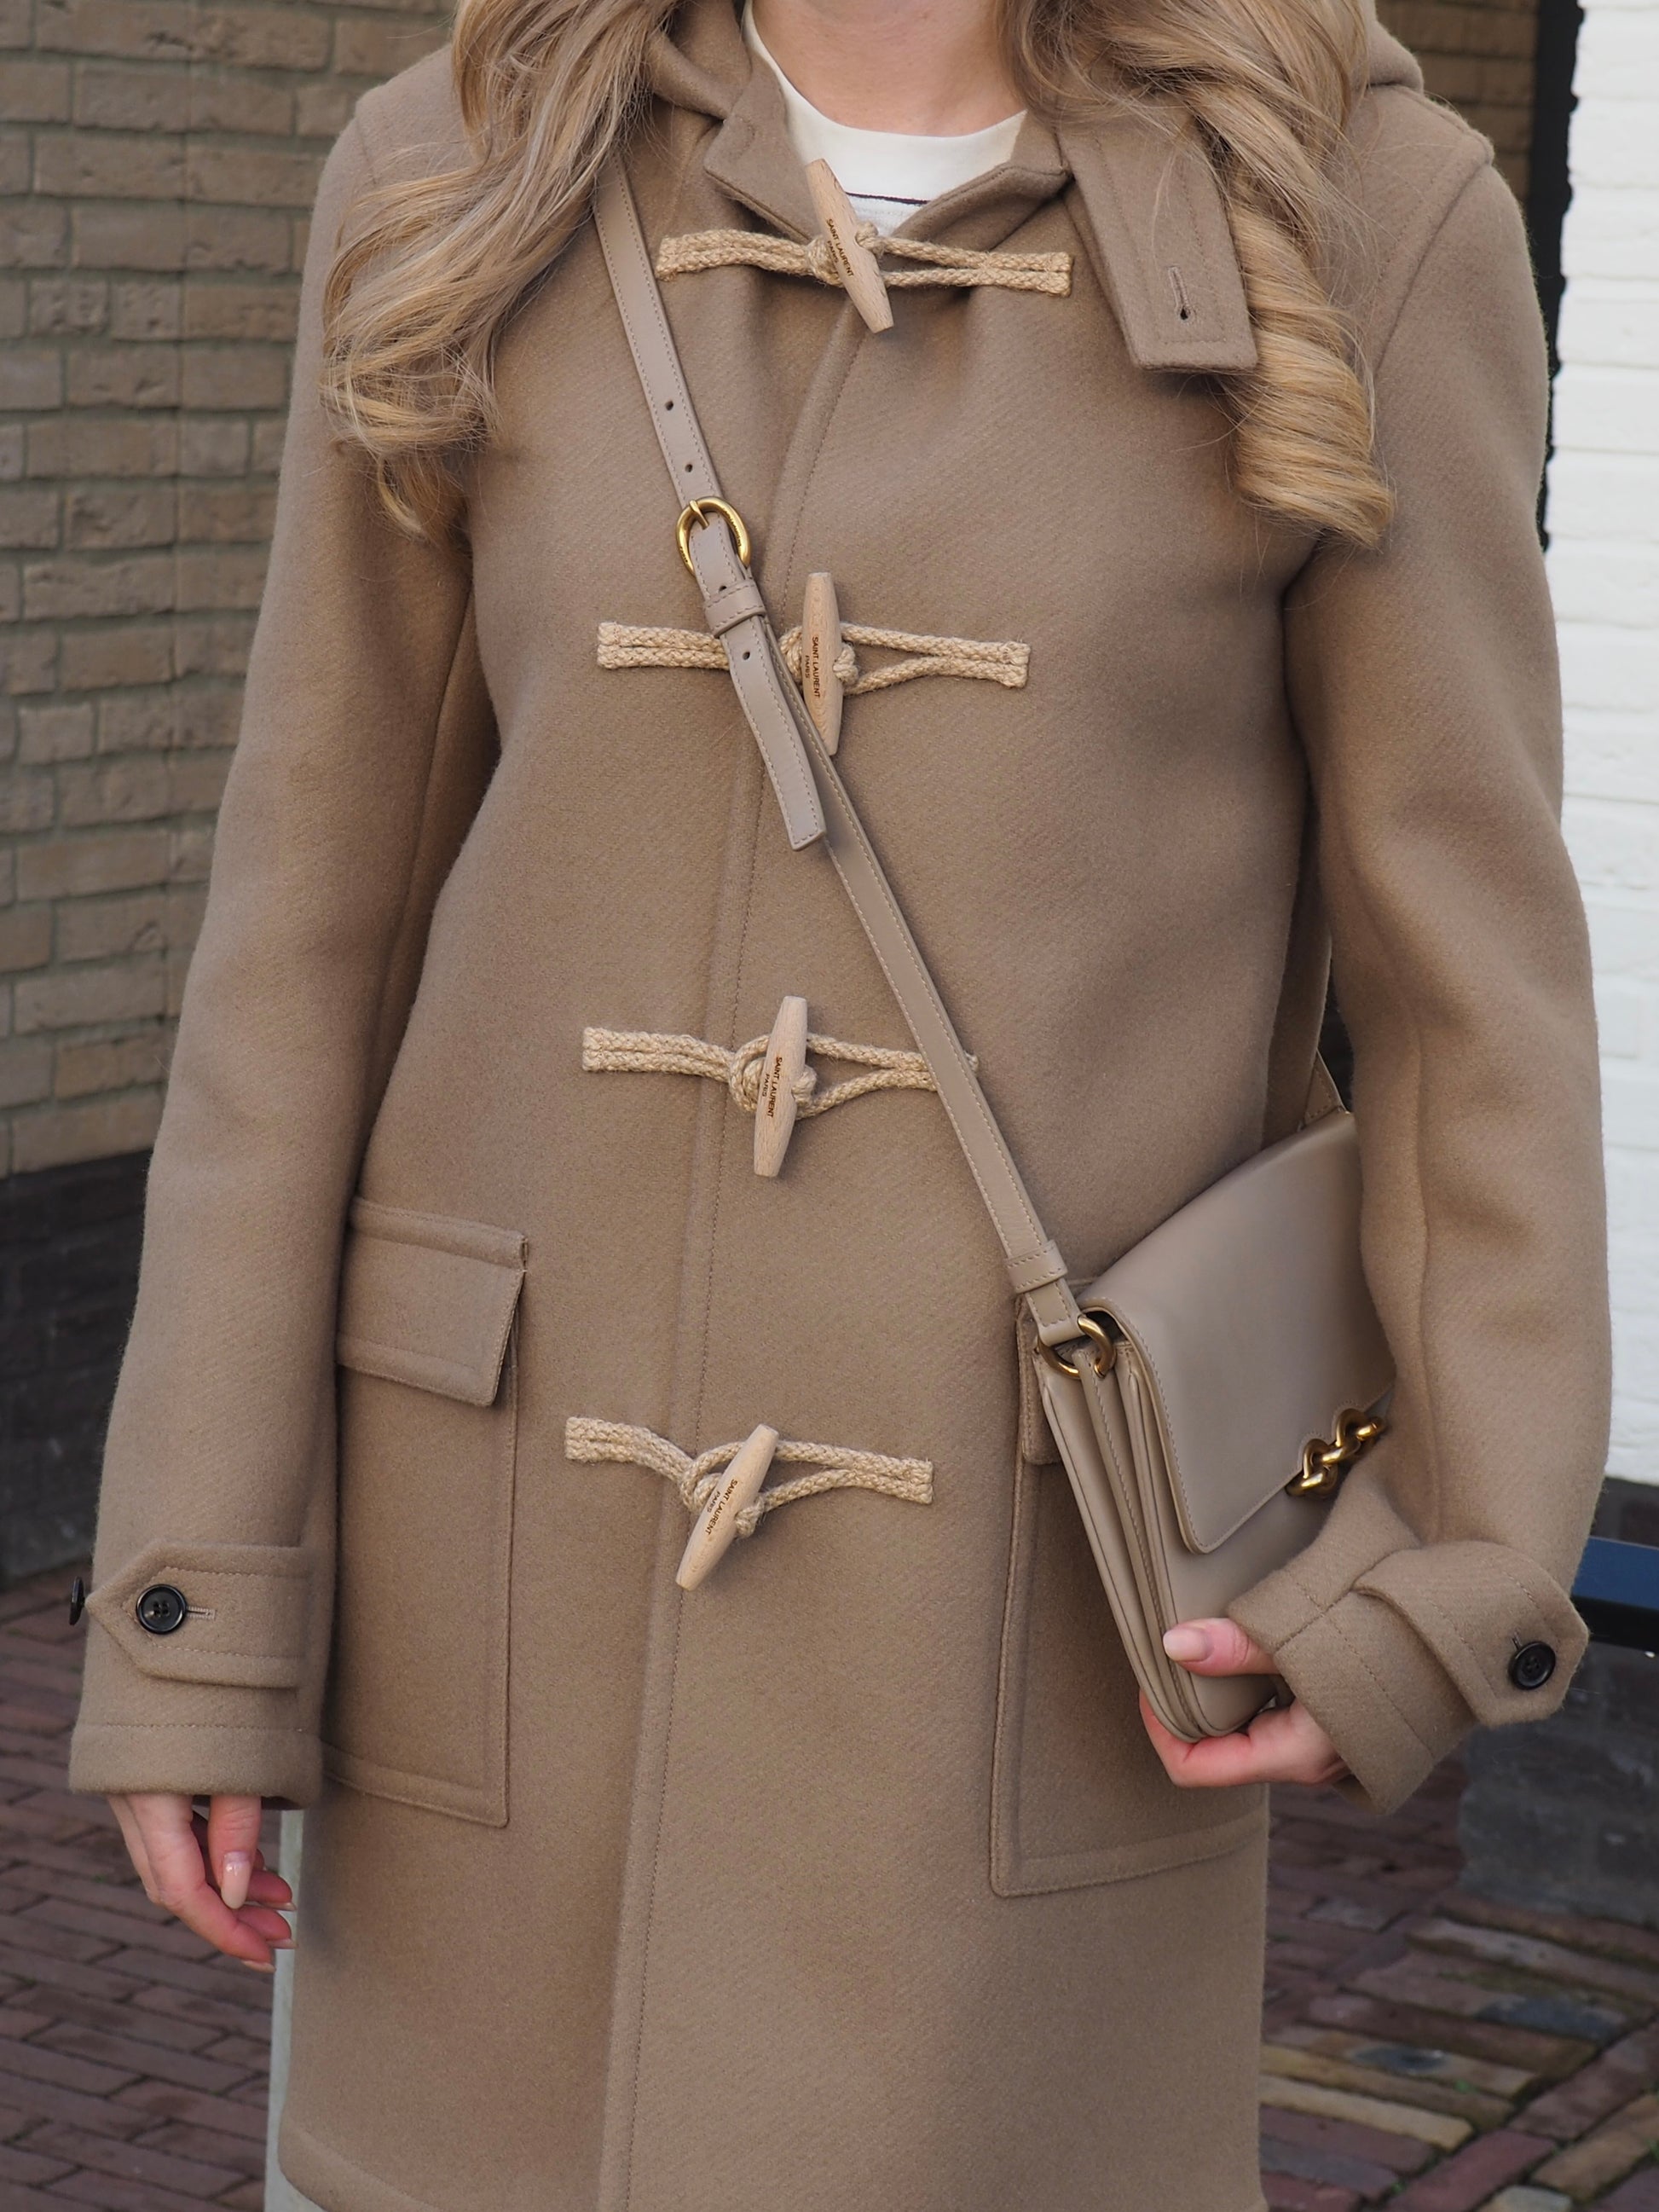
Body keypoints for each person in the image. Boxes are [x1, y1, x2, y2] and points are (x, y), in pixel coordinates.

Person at [68, 0, 1610, 2204]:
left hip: (1020, 1660)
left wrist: (1450, 1558)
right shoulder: (460, 170)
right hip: (491, 1633)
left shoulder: (1358, 217)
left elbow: (1467, 1000)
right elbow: (302, 947)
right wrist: (199, 1598)